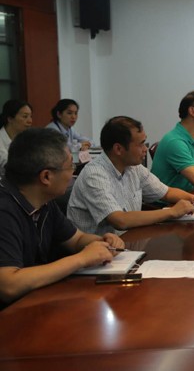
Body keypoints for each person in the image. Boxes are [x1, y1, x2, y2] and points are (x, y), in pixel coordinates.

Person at [0, 128, 125, 306]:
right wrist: (81, 259)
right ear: (46, 177)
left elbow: (76, 239)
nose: (72, 173)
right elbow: (8, 285)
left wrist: (101, 242)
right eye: (70, 166)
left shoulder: (44, 201)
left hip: (36, 301)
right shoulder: (5, 209)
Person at [67, 116, 194, 235]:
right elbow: (120, 220)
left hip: (129, 242)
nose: (145, 149)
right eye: (141, 144)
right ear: (118, 149)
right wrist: (172, 212)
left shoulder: (134, 168)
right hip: (95, 251)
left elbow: (166, 192)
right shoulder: (94, 175)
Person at [0, 100, 33, 179]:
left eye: (31, 116)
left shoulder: (27, 138)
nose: (30, 121)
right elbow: (10, 166)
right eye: (25, 116)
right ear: (10, 118)